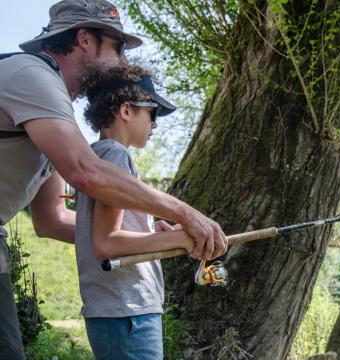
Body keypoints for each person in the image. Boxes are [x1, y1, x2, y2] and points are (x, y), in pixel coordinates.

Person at [0, 1, 227, 358]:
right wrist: (186, 215)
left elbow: (51, 221)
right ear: (85, 39)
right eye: (117, 48)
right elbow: (86, 173)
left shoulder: (54, 114)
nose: (123, 62)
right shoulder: (31, 76)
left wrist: (147, 237)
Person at [76, 65, 194, 359]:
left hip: (120, 310)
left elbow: (109, 231)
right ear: (126, 110)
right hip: (126, 310)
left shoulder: (97, 156)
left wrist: (153, 232)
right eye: (152, 112)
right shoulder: (115, 156)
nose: (155, 124)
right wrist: (180, 239)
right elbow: (107, 244)